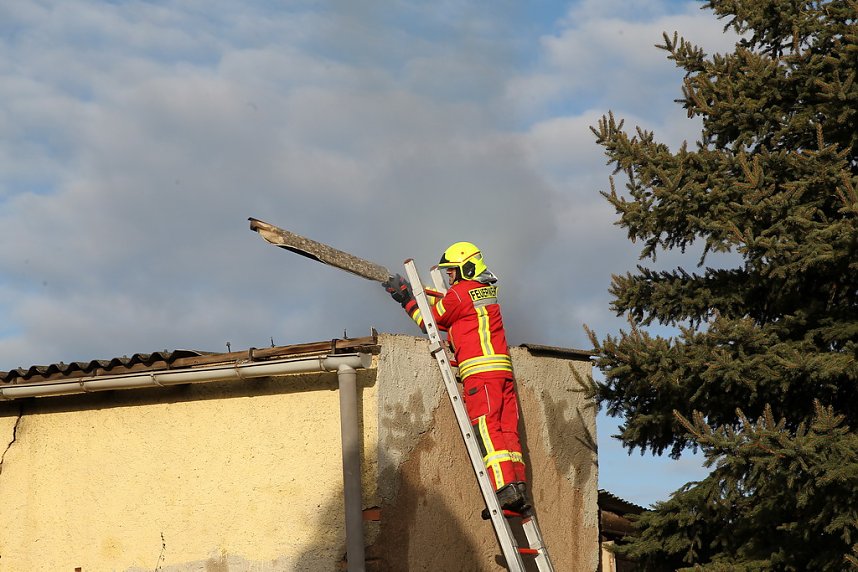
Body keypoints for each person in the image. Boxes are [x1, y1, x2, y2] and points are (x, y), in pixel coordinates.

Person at [383, 242, 529, 513]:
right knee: (507, 431)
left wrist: (406, 299)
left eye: (452, 271)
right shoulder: (484, 292)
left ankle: (504, 490)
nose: (449, 277)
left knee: (486, 429)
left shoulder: (461, 293)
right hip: (502, 374)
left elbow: (434, 320)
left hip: (480, 374)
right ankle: (517, 488)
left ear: (465, 267)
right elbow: (451, 310)